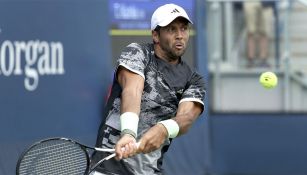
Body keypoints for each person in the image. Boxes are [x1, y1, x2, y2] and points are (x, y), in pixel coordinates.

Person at [91, 3, 206, 175]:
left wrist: (164, 128)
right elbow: (132, 90)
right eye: (171, 29)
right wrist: (128, 133)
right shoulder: (137, 53)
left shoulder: (193, 79)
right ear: (155, 35)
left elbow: (187, 117)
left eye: (183, 29)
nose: (180, 36)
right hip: (108, 169)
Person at [243, 0, 275, 67]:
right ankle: (250, 61)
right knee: (251, 31)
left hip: (267, 3)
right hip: (251, 2)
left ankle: (263, 60)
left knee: (264, 32)